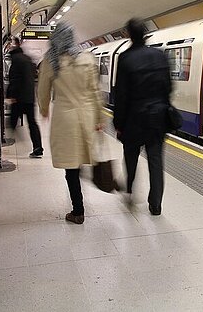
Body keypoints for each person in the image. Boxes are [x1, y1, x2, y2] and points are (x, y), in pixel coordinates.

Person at [37, 23, 104, 224]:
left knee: (71, 167)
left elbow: (43, 89)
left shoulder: (51, 60)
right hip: (86, 114)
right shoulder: (87, 57)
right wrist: (100, 118)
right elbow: (95, 91)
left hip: (65, 117)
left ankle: (78, 210)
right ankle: (82, 192)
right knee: (82, 155)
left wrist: (44, 109)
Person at [113, 18, 172, 216]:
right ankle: (156, 204)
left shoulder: (125, 58)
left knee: (131, 157)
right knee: (156, 161)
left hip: (133, 119)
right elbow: (169, 88)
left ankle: (129, 190)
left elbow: (121, 95)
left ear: (128, 35)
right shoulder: (159, 56)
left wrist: (118, 123)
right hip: (157, 118)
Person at [6, 36, 43, 158]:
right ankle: (38, 147)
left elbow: (14, 79)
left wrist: (11, 95)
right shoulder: (28, 59)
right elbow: (32, 75)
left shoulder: (15, 59)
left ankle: (13, 140)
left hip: (18, 98)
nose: (9, 46)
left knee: (12, 121)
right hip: (30, 97)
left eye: (10, 44)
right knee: (32, 122)